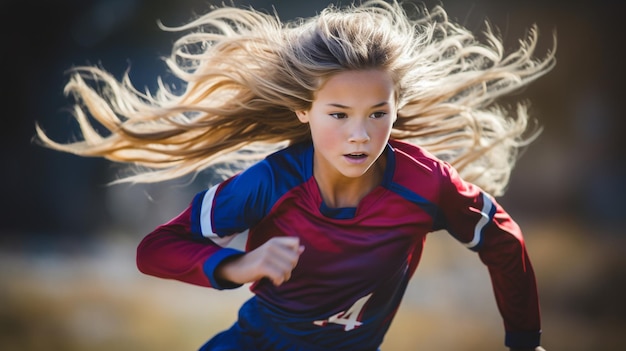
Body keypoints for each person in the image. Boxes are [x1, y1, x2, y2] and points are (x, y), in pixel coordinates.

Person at [35, 1, 556, 350]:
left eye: (378, 113)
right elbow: (154, 249)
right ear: (305, 110)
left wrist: (525, 342)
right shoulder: (270, 182)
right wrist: (239, 265)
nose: (360, 135)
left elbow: (504, 243)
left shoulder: (426, 185)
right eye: (338, 114)